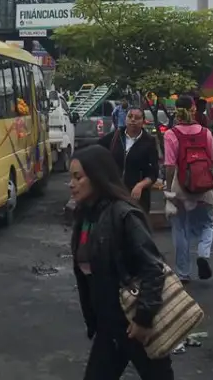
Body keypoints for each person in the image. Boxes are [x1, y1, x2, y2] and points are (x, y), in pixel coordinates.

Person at [70, 145, 174, 380]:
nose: (71, 184)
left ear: (97, 177)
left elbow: (153, 268)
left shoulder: (124, 215)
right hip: (109, 325)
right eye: (70, 177)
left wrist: (143, 319)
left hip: (135, 322)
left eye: (78, 177)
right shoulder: (86, 215)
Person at [162, 95, 213, 283]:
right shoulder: (205, 132)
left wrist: (168, 190)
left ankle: (183, 273)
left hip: (180, 187)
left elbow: (170, 166)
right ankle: (203, 253)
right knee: (208, 224)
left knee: (180, 229)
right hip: (204, 187)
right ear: (194, 109)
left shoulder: (170, 134)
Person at [98, 108, 159, 215]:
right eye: (130, 117)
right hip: (114, 194)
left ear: (143, 121)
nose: (133, 120)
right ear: (125, 119)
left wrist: (140, 185)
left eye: (137, 118)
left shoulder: (149, 142)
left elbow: (153, 173)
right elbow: (96, 152)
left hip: (137, 198)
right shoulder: (115, 137)